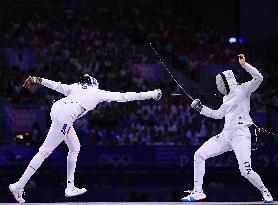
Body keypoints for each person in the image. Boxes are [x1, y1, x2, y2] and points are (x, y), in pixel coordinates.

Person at [9, 74, 162, 203]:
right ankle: (19, 185)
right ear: (94, 84)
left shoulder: (75, 87)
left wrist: (37, 79)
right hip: (65, 115)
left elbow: (55, 85)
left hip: (57, 109)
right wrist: (153, 94)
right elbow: (126, 96)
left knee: (75, 147)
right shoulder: (97, 92)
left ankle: (70, 187)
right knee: (44, 152)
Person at [181, 54, 273, 203]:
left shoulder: (244, 89)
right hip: (226, 135)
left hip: (241, 135)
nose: (219, 87)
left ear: (227, 82)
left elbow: (259, 78)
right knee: (199, 155)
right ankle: (198, 192)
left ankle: (265, 191)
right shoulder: (226, 98)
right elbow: (218, 115)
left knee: (245, 171)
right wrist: (200, 108)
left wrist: (245, 65)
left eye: (221, 83)